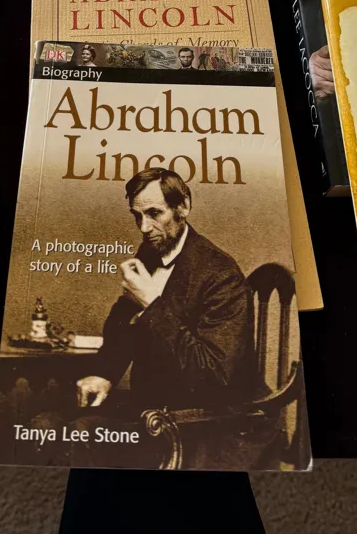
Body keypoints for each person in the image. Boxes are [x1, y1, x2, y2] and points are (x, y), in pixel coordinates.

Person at [64, 168, 268, 467]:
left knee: (80, 432)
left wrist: (151, 303)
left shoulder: (221, 274)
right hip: (152, 409)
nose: (144, 227)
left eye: (154, 213)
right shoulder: (152, 249)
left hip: (204, 423)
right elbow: (124, 323)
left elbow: (215, 376)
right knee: (49, 423)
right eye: (137, 216)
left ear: (183, 207)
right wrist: (105, 374)